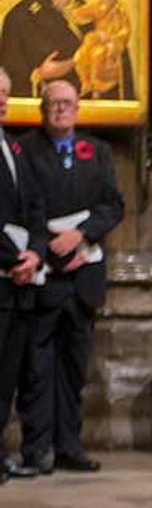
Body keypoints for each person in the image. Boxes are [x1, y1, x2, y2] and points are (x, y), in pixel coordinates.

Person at [14, 79, 123, 475]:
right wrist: (50, 249)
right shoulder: (24, 150)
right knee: (37, 368)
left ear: (78, 109)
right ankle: (37, 448)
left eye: (67, 103)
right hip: (45, 273)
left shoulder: (98, 151)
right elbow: (24, 207)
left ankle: (69, 445)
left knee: (74, 367)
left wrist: (82, 238)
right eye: (53, 103)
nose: (61, 109)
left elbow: (113, 206)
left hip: (84, 273)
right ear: (43, 109)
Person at [0, 68, 47, 485]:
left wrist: (35, 252)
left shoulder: (14, 148)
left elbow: (35, 207)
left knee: (7, 375)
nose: (1, 100)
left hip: (19, 282)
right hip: (3, 272)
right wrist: (13, 256)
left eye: (4, 94)